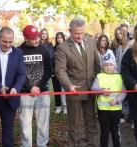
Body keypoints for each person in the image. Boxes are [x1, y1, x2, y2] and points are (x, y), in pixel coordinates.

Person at [55, 18, 100, 147]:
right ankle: (74, 144)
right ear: (70, 31)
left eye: (82, 33)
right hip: (74, 90)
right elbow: (60, 70)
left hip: (91, 88)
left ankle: (93, 144)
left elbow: (97, 65)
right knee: (75, 123)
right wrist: (68, 85)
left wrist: (99, 83)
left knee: (91, 120)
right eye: (76, 33)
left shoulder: (91, 42)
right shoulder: (62, 48)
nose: (80, 36)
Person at [18, 25, 52, 147]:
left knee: (43, 121)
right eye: (33, 38)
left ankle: (42, 144)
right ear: (25, 38)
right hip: (25, 92)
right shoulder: (18, 51)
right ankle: (26, 144)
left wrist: (40, 86)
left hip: (42, 91)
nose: (37, 40)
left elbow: (48, 69)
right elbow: (19, 73)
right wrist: (30, 87)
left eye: (37, 36)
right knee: (25, 122)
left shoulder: (43, 49)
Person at [91, 50, 126, 147]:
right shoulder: (99, 76)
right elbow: (93, 88)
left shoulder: (119, 76)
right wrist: (102, 90)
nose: (108, 67)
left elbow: (124, 91)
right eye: (106, 65)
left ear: (114, 65)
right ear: (103, 66)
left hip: (116, 109)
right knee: (104, 131)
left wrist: (117, 100)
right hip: (103, 110)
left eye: (111, 64)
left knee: (115, 131)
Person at [52, 32, 67, 114]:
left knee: (64, 90)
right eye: (58, 38)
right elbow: (51, 60)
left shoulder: (67, 48)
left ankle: (65, 106)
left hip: (65, 72)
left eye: (61, 37)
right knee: (56, 89)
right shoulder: (54, 49)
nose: (59, 39)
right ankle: (58, 106)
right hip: (55, 73)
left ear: (63, 38)